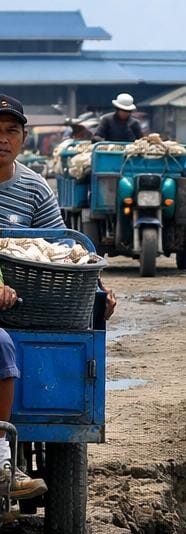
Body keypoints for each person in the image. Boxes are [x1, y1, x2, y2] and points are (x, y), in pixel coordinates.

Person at [0, 94, 117, 499]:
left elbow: (64, 248)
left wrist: (98, 289)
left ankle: (3, 462)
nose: (2, 139)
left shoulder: (34, 188)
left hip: (27, 310)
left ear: (23, 138)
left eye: (11, 131)